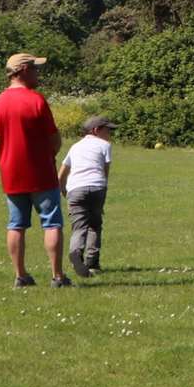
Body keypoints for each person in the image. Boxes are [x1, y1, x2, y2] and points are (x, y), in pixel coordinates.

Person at [0, 53, 71, 287]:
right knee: (52, 223)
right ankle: (57, 276)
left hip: (10, 172)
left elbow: (1, 136)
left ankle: (21, 275)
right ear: (23, 70)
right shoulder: (36, 100)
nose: (38, 73)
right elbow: (54, 138)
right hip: (40, 172)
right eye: (35, 68)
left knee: (16, 224)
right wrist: (48, 155)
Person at [59, 116, 116, 278]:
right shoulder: (105, 145)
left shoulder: (75, 147)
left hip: (75, 189)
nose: (110, 134)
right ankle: (92, 263)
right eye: (108, 130)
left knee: (79, 227)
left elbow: (61, 174)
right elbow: (105, 171)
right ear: (96, 130)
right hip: (97, 186)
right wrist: (102, 191)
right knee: (95, 225)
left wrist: (64, 190)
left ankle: (75, 252)